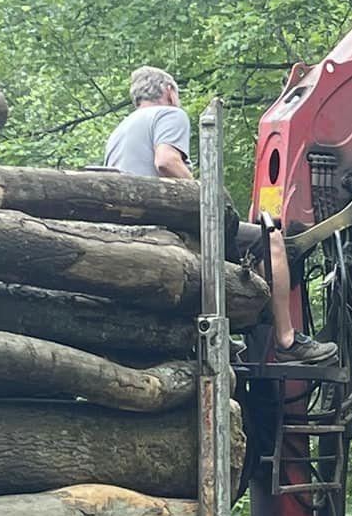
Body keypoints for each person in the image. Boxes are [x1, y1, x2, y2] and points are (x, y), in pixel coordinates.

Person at [104, 66, 336, 365]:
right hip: (165, 226)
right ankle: (287, 339)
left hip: (129, 228)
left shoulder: (119, 130)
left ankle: (225, 339)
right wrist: (204, 194)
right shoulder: (169, 114)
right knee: (271, 239)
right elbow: (166, 161)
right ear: (169, 92)